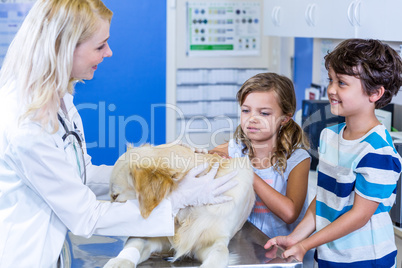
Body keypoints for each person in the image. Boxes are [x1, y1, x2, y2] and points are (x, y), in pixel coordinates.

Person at [0, 0, 237, 267]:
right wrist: (174, 200)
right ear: (63, 48)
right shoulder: (26, 125)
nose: (109, 52)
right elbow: (86, 216)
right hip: (26, 257)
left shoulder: (58, 98)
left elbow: (80, 174)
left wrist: (153, 173)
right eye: (100, 46)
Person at [264, 39, 402, 267]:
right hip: (329, 255)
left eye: (342, 83)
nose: (331, 89)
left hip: (366, 260)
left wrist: (306, 244)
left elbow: (358, 217)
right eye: (330, 79)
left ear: (375, 93)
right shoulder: (330, 136)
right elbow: (326, 199)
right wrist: (296, 238)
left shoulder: (378, 152)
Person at [209, 72, 311, 239]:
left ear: (284, 119)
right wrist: (211, 156)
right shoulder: (235, 149)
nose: (252, 119)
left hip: (283, 253)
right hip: (247, 246)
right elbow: (211, 155)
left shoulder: (297, 159)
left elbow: (289, 213)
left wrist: (246, 171)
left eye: (264, 113)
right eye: (246, 110)